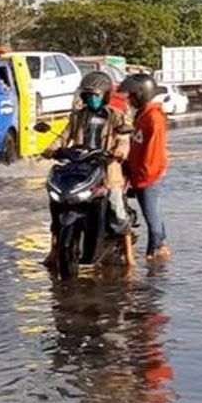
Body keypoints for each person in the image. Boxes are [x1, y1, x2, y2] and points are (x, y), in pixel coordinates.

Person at [43, 71, 133, 267]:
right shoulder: (77, 116)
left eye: (96, 95)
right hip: (80, 167)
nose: (92, 99)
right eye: (89, 95)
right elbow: (62, 136)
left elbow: (124, 140)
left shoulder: (116, 117)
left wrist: (119, 151)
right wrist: (51, 149)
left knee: (116, 207)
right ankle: (54, 251)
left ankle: (129, 256)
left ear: (105, 95)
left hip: (107, 169)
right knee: (58, 203)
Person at [121, 73, 171, 263]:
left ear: (142, 94)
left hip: (148, 175)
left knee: (151, 214)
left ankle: (155, 250)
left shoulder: (153, 118)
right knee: (153, 212)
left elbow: (154, 152)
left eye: (132, 95)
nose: (129, 99)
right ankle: (161, 245)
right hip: (141, 174)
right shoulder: (143, 115)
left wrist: (143, 177)